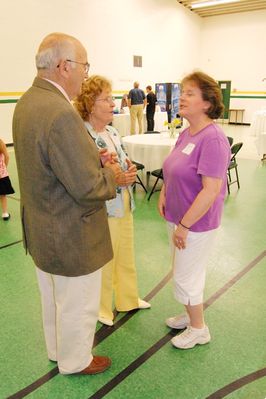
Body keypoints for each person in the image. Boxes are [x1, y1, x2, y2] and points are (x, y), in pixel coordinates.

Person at [12, 33, 124, 375]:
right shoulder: (60, 113)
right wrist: (112, 176)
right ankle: (76, 361)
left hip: (43, 227)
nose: (85, 75)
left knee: (53, 300)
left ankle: (57, 351)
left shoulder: (27, 102)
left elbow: (48, 162)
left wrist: (90, 154)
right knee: (78, 303)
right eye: (84, 66)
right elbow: (87, 186)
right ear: (64, 67)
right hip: (70, 230)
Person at [158, 71, 231, 349]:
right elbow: (173, 167)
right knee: (182, 270)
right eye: (183, 92)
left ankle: (199, 328)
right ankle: (190, 316)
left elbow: (210, 190)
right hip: (178, 217)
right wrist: (164, 192)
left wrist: (185, 225)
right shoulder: (187, 132)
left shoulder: (213, 139)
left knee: (187, 274)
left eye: (190, 93)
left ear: (207, 103)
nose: (182, 98)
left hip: (196, 224)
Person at [74, 75, 151, 327]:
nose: (113, 103)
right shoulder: (81, 135)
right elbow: (83, 175)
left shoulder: (113, 131)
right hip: (102, 209)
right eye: (106, 99)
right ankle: (102, 308)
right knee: (105, 259)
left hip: (124, 202)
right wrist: (114, 176)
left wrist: (129, 170)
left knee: (126, 253)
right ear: (90, 103)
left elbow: (123, 159)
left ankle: (128, 299)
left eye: (111, 98)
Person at [0, 138, 15, 220]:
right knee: (3, 195)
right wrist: (4, 167)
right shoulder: (0, 142)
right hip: (2, 175)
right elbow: (7, 156)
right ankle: (5, 213)